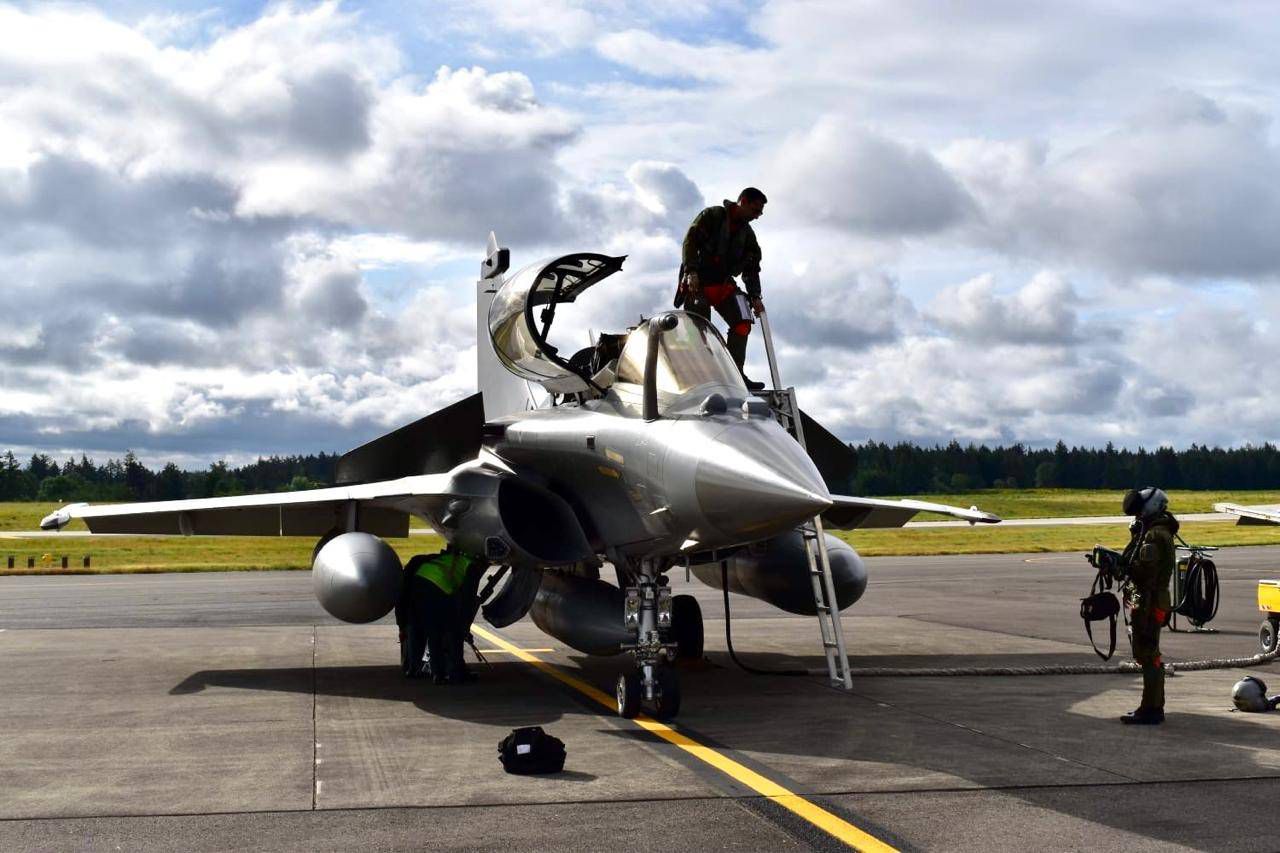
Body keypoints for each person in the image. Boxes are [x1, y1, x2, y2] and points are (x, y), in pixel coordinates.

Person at [676, 187, 767, 391]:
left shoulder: (748, 235)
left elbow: (752, 267)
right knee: (699, 328)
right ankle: (700, 375)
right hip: (697, 283)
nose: (757, 216)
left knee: (743, 320)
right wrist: (691, 271)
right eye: (755, 210)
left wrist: (755, 296)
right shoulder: (712, 216)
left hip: (723, 285)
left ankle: (735, 375)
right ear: (743, 202)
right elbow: (690, 241)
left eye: (760, 213)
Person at [1118, 486, 1178, 724]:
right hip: (1152, 599)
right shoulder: (1157, 531)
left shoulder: (1154, 535)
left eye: (1139, 511)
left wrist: (1121, 566)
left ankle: (1151, 709)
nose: (1137, 516)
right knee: (1148, 653)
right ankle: (1152, 707)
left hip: (1149, 601)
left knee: (1148, 653)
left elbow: (1145, 574)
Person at [397, 545, 486, 684]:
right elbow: (467, 600)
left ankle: (418, 670)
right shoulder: (471, 567)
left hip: (418, 582)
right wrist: (464, 628)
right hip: (437, 588)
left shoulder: (447, 558)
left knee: (424, 629)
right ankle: (453, 673)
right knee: (448, 632)